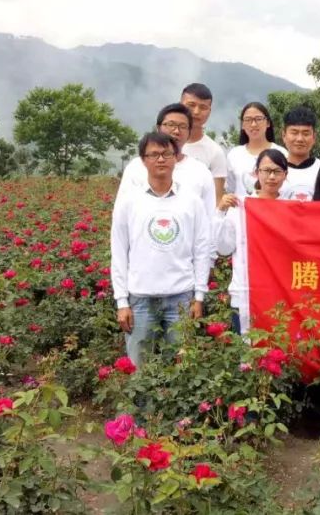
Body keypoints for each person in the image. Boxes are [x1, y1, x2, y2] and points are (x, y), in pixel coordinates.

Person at [111, 132, 213, 366]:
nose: (160, 160)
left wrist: (199, 296)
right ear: (143, 160)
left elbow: (201, 250)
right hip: (140, 300)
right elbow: (119, 251)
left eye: (167, 153)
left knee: (180, 369)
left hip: (181, 299)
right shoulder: (129, 201)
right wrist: (122, 301)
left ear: (176, 158)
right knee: (139, 370)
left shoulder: (191, 201)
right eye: (154, 154)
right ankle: (141, 405)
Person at [213, 149, 289, 334]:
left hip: (282, 293)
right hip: (246, 293)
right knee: (247, 357)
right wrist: (220, 212)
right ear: (256, 172)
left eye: (277, 171)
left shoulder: (291, 208)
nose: (271, 177)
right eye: (266, 171)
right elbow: (223, 248)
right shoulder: (241, 207)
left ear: (285, 175)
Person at [117, 104, 217, 222]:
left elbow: (209, 218)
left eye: (183, 126)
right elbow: (121, 214)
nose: (176, 131)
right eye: (170, 125)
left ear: (189, 132)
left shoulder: (200, 172)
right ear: (158, 128)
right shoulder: (136, 167)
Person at [226, 102, 288, 198]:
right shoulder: (234, 154)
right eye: (248, 120)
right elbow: (231, 189)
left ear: (268, 123)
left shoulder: (282, 153)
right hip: (242, 211)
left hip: (272, 210)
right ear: (242, 125)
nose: (253, 124)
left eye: (258, 119)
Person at [180, 83, 229, 200]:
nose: (196, 112)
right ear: (180, 105)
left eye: (203, 107)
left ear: (209, 111)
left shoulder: (215, 152)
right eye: (191, 105)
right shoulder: (164, 146)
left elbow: (217, 201)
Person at [281, 106, 320, 201]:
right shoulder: (274, 171)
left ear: (314, 137)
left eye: (306, 133)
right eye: (294, 133)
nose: (300, 139)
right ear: (284, 135)